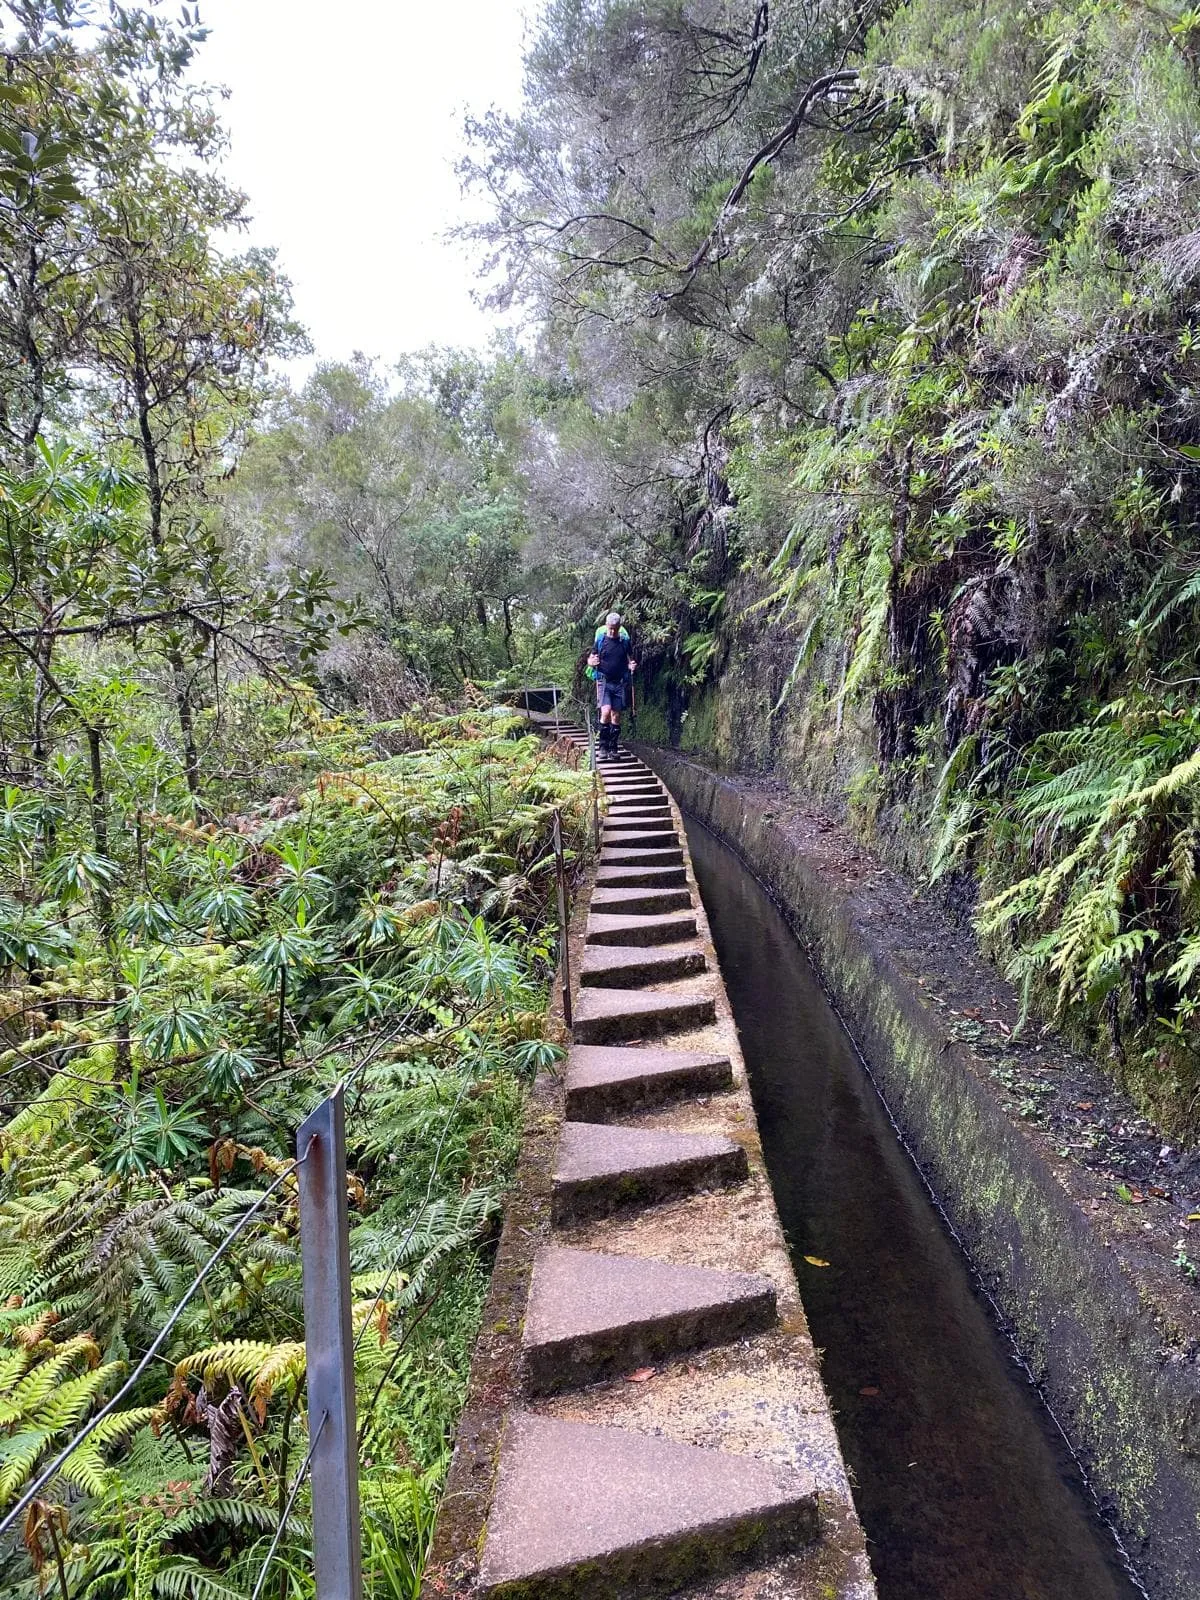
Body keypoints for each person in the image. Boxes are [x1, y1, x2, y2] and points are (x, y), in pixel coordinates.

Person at [587, 612, 637, 759]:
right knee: (606, 712)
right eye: (610, 628)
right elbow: (591, 658)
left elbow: (630, 660)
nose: (612, 631)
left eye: (615, 629)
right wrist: (591, 662)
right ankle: (603, 746)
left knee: (616, 716)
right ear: (606, 626)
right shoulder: (601, 640)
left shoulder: (624, 642)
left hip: (619, 683)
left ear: (619, 627)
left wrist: (632, 666)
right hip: (604, 681)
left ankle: (613, 748)